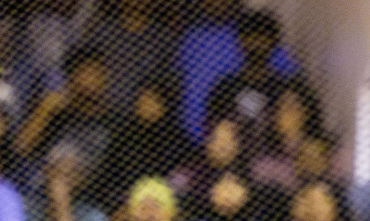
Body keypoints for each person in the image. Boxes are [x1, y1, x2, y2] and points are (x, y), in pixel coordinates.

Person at [179, 0, 301, 141]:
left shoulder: (252, 31)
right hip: (188, 144)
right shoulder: (190, 37)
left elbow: (294, 84)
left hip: (240, 145)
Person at [206, 11, 319, 154]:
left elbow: (313, 135)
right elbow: (212, 133)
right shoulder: (226, 88)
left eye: (263, 38)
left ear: (275, 42)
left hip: (282, 166)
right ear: (240, 41)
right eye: (250, 38)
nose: (256, 44)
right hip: (235, 165)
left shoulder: (290, 88)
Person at [13, 45, 116, 191]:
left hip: (87, 199)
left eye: (97, 73)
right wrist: (44, 111)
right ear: (71, 79)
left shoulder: (113, 121)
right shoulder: (56, 112)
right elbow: (21, 147)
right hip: (40, 192)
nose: (91, 80)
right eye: (84, 73)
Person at [92, 75, 194, 214]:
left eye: (153, 101)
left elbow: (187, 188)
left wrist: (169, 212)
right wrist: (120, 210)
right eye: (141, 101)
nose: (146, 107)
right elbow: (107, 183)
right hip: (129, 214)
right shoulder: (122, 139)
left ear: (165, 105)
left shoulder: (181, 143)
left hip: (168, 215)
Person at [79, 0, 179, 110]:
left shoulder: (163, 37)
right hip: (103, 112)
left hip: (144, 115)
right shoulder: (102, 32)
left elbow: (170, 81)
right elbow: (83, 71)